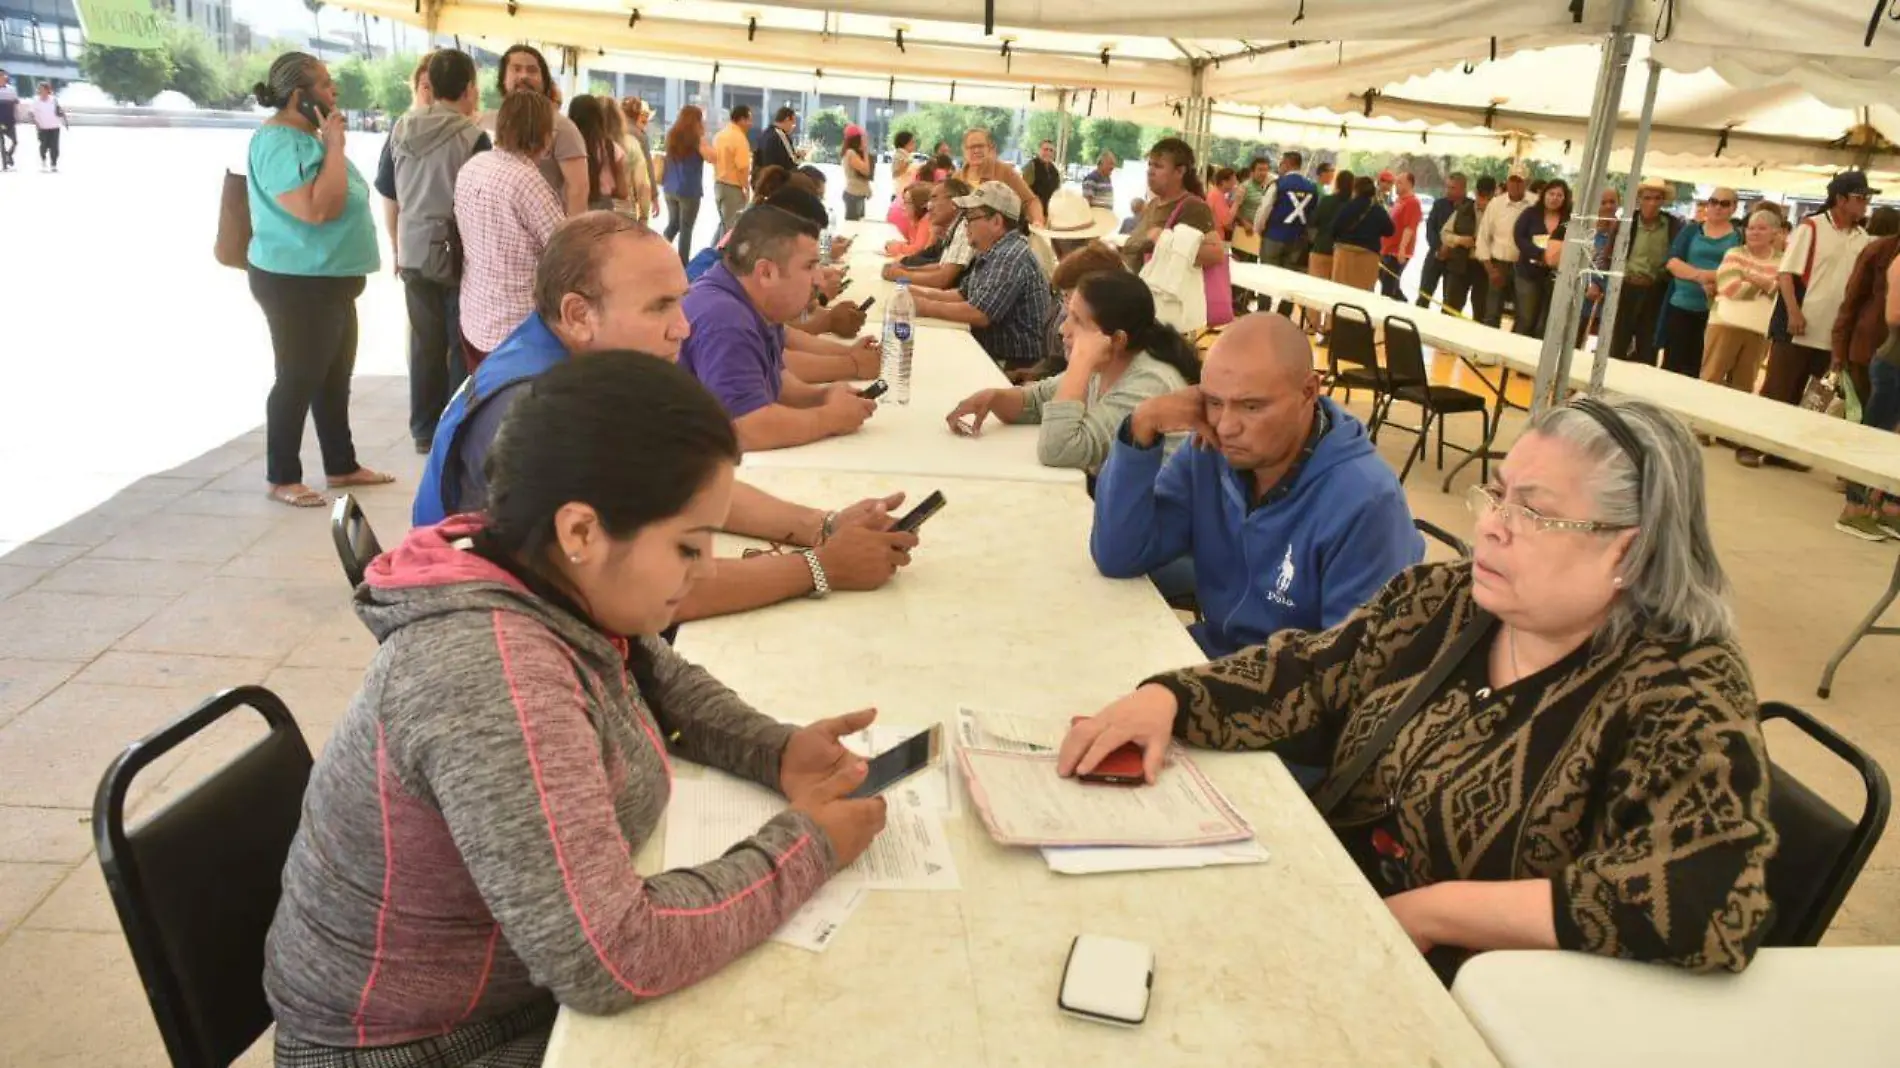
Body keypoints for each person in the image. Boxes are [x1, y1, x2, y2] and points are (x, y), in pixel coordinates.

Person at [271, 350, 896, 1066]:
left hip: (505, 994)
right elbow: (612, 957)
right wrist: (807, 846)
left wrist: (775, 748)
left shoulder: (536, 569)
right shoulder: (491, 674)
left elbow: (657, 679)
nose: (706, 569)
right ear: (581, 531)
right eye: (689, 546)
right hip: (420, 1046)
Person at [1062, 396, 1774, 979]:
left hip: (1465, 995)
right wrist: (1170, 698)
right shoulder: (1452, 601)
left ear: (1630, 549)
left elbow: (1706, 898)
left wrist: (1439, 912)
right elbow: (1313, 670)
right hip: (1333, 911)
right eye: (1497, 495)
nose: (1491, 528)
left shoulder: (1684, 690)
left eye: (1532, 510)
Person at [417, 211, 916, 614]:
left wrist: (823, 525)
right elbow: (642, 591)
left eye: (680, 303)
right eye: (658, 307)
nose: (683, 328)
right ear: (578, 314)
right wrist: (821, 566)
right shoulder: (538, 409)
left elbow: (682, 483)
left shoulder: (580, 362)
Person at [1090, 313, 1422, 658]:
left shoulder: (1367, 502)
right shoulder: (1208, 451)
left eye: (1251, 406)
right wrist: (1142, 424)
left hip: (1284, 694)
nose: (1228, 426)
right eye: (1215, 402)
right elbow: (1118, 556)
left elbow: (1347, 672)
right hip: (1209, 659)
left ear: (1309, 391)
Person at [244, 53, 391, 512]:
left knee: (334, 376)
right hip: (296, 280)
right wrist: (335, 147)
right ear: (298, 96)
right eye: (325, 86)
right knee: (299, 375)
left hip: (331, 279)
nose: (334, 94)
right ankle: (282, 474)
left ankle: (341, 464)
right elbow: (315, 209)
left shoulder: (310, 138)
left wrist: (330, 145)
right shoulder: (278, 142)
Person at [946, 269, 1198, 473]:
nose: (1063, 329)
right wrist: (995, 398)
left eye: (1077, 320)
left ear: (1117, 340)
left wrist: (1080, 362)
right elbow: (1037, 401)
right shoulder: (1108, 363)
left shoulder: (1148, 384)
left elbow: (1059, 449)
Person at [680, 205, 876, 450]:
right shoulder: (726, 318)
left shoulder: (753, 303)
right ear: (766, 273)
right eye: (809, 266)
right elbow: (745, 428)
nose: (819, 279)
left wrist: (822, 397)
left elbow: (772, 381)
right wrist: (830, 418)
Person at [376, 48, 490, 453]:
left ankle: (423, 430)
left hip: (412, 249)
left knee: (424, 344)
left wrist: (395, 243)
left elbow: (389, 193)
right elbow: (480, 198)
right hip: (457, 251)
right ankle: (454, 428)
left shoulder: (401, 128)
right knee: (461, 342)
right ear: (469, 88)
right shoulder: (473, 136)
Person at [1745, 172, 1878, 469]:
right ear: (1840, 199)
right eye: (1860, 198)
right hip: (1798, 326)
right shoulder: (1811, 228)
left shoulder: (1862, 238)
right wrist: (1793, 312)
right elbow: (1786, 274)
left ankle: (1788, 451)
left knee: (1815, 396)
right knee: (1778, 389)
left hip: (1833, 331)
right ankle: (1752, 445)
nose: (1865, 204)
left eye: (1867, 198)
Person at [455, 91, 565, 368]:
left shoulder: (473, 166)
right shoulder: (527, 181)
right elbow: (564, 251)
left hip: (474, 316)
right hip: (516, 329)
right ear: (542, 133)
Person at [907, 182, 1052, 370]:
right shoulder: (993, 250)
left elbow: (980, 313)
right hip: (991, 354)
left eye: (970, 217)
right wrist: (916, 293)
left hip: (1010, 365)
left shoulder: (1010, 255)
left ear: (996, 222)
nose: (965, 224)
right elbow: (962, 294)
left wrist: (924, 306)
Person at [1836, 257, 1900, 540]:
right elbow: (1894, 315)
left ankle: (1890, 509)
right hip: (1893, 365)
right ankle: (1855, 508)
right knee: (1875, 439)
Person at [482, 46, 587, 216]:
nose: (523, 76)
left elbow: (578, 189)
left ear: (544, 81)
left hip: (542, 233)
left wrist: (570, 238)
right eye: (516, 69)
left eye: (532, 70)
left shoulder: (563, 128)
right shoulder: (485, 122)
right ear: (503, 78)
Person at [1011, 240, 1128, 384]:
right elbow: (1056, 361)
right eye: (1063, 296)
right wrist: (1029, 376)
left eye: (1068, 295)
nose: (1066, 305)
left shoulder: (1101, 329)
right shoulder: (1063, 310)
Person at [1658, 186, 1741, 377]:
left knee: (1698, 368)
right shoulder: (1691, 230)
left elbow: (1735, 272)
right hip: (1680, 306)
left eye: (1724, 203)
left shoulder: (1738, 237)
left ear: (1733, 208)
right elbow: (1672, 262)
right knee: (1671, 364)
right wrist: (1702, 277)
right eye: (1713, 202)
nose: (1717, 207)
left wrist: (1702, 276)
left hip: (1714, 313)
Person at [1701, 206, 1782, 398]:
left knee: (1743, 387)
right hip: (1724, 324)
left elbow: (1778, 294)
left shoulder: (1783, 260)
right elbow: (1731, 288)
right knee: (1711, 379)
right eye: (1751, 228)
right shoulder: (1734, 253)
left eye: (1761, 228)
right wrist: (1765, 285)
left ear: (1774, 233)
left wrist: (1748, 275)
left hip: (1759, 331)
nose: (1754, 232)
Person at [1119, 138, 1224, 281]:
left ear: (1180, 171)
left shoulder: (1193, 207)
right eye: (1150, 165)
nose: (1150, 171)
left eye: (1158, 166)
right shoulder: (1154, 203)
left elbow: (1216, 253)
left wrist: (1166, 241)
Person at [1605, 178, 1684, 365]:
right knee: (1617, 343)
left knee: (1648, 345)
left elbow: (1677, 257)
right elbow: (1608, 254)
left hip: (1655, 292)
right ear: (1639, 199)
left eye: (1657, 198)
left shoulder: (1673, 225)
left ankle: (1639, 391)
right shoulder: (1626, 223)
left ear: (1663, 201)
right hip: (1625, 288)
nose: (1652, 203)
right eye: (1647, 197)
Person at [1833, 218, 1900, 412]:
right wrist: (1838, 352)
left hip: (1882, 352)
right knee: (1859, 417)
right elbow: (1851, 302)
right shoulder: (1879, 250)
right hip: (1868, 351)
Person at [883, 178, 976, 289]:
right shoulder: (955, 227)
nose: (928, 206)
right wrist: (905, 268)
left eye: (934, 199)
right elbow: (941, 267)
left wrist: (901, 276)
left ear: (955, 202)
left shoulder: (965, 226)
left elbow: (943, 280)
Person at [1512, 179, 1572, 339]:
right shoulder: (1530, 213)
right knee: (1526, 318)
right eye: (1551, 193)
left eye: (1560, 195)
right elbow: (1519, 237)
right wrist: (1539, 254)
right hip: (1528, 273)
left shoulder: (1569, 219)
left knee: (1544, 322)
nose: (1554, 198)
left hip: (1554, 277)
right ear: (1544, 194)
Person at [1476, 164, 1535, 329]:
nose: (1516, 185)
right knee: (1491, 313)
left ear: (1527, 182)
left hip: (1525, 266)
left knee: (1524, 315)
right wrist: (1490, 269)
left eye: (1520, 181)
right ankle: (1487, 352)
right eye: (1513, 180)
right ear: (1507, 182)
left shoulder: (1535, 203)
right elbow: (1483, 237)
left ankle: (1515, 352)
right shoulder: (1495, 203)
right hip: (1498, 264)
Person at [958, 127, 1046, 227]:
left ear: (989, 148)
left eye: (981, 146)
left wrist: (1037, 221)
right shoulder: (956, 178)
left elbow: (1030, 201)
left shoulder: (1004, 171)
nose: (976, 150)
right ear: (964, 151)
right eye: (972, 147)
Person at [660, 105, 714, 266]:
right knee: (686, 228)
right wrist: (704, 138)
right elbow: (712, 158)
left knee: (673, 224)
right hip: (689, 189)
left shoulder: (672, 135)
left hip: (670, 186)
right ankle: (683, 265)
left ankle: (660, 251)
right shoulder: (696, 139)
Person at [1250, 151, 1320, 271]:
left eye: (1281, 163)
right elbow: (1312, 214)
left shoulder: (1278, 184)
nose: (1279, 167)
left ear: (1287, 164)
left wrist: (1258, 229)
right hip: (1297, 240)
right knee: (1288, 277)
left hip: (1273, 236)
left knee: (1268, 275)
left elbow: (1264, 209)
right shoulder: (1312, 188)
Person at [1330, 175, 1393, 294]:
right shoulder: (1378, 210)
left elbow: (1334, 229)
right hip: (1368, 256)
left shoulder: (1348, 206)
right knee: (1363, 293)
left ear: (1356, 190)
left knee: (1339, 292)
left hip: (1345, 254)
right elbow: (1390, 231)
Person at [1437, 174, 1489, 317]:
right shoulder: (1463, 210)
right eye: (1480, 196)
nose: (1482, 201)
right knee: (1451, 307)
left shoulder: (1496, 213)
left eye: (1487, 198)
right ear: (1476, 193)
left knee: (1481, 309)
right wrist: (1460, 240)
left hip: (1483, 267)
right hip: (1459, 265)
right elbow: (1445, 234)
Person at [567, 94, 627, 212]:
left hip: (571, 205)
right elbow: (623, 192)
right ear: (599, 117)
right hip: (604, 209)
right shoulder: (613, 148)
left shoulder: (566, 146)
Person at [1417, 172, 1468, 309]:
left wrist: (1451, 248)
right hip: (1436, 255)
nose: (1448, 191)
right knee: (1423, 295)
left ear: (1463, 189)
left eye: (1452, 188)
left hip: (1456, 260)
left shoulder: (1470, 207)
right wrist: (1439, 248)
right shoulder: (1439, 204)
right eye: (1447, 187)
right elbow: (1430, 229)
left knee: (1450, 302)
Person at [708, 104, 755, 244]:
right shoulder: (739, 139)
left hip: (718, 185)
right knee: (731, 230)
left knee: (723, 224)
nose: (751, 124)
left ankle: (710, 255)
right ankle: (721, 262)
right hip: (733, 187)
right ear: (741, 119)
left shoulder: (720, 136)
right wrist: (746, 188)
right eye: (749, 120)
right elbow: (742, 168)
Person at [1306, 169, 1352, 288]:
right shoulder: (1353, 205)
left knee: (1315, 288)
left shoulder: (1327, 200)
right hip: (1343, 253)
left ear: (1337, 183)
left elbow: (1313, 221)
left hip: (1322, 247)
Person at [1379, 172, 1422, 301]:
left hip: (1396, 251)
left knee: (1388, 287)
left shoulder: (1412, 203)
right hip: (1387, 249)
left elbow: (1410, 228)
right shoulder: (1399, 201)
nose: (1395, 185)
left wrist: (1402, 249)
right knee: (1388, 282)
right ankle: (1401, 301)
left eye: (1399, 183)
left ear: (1409, 184)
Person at [619, 97, 659, 219]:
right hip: (630, 195)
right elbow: (647, 169)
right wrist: (654, 196)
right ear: (638, 115)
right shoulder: (640, 136)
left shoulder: (611, 131)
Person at [29, 81, 63, 171]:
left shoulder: (54, 99)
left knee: (54, 147)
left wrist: (61, 113)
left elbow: (59, 110)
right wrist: (36, 123)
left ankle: (54, 164)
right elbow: (31, 113)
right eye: (39, 89)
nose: (40, 91)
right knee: (43, 146)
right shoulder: (36, 100)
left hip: (54, 126)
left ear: (48, 90)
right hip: (42, 127)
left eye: (43, 89)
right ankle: (43, 160)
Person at [1023, 139, 1063, 217]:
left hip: (1049, 214)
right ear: (1039, 151)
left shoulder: (1055, 171)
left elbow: (1057, 194)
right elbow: (1023, 191)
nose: (1048, 153)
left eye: (1051, 150)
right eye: (1045, 149)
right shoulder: (1031, 166)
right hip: (1032, 215)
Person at [841, 129, 874, 221]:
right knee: (853, 226)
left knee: (858, 224)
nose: (866, 140)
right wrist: (865, 152)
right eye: (864, 138)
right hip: (853, 195)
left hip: (857, 195)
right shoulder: (851, 153)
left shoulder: (852, 153)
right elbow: (866, 171)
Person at [755, 105, 799, 174]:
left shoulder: (764, 134)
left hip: (763, 178)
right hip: (778, 179)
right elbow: (792, 162)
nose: (793, 127)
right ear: (787, 119)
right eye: (793, 123)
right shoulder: (781, 136)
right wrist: (800, 157)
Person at [0, 69, 18, 171]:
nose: (2, 77)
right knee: (1, 143)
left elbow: (16, 103)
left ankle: (8, 155)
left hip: (10, 120)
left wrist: (16, 116)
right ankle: (4, 165)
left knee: (15, 141)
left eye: (3, 75)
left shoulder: (11, 89)